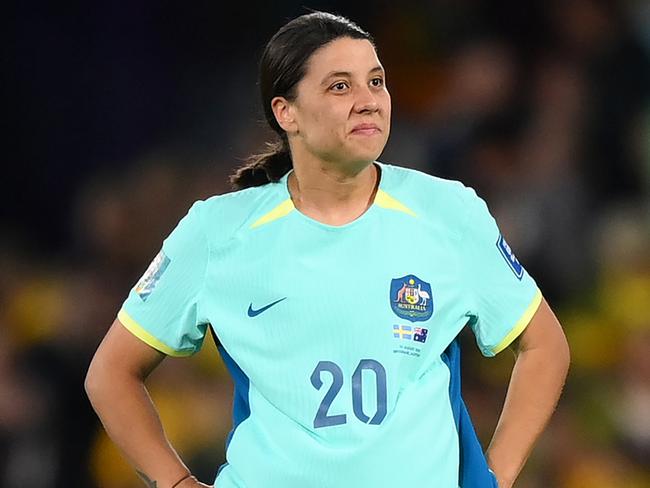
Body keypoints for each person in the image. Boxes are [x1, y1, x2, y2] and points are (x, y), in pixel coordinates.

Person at [85, 11, 570, 488]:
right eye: (341, 86)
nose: (368, 101)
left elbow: (545, 346)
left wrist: (493, 479)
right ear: (286, 112)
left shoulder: (448, 213)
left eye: (376, 82)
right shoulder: (218, 231)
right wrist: (177, 482)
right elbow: (110, 373)